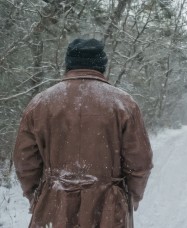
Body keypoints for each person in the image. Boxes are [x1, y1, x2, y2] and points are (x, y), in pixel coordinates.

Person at [13, 38, 153, 227]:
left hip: (54, 205)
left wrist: (37, 195)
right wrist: (131, 197)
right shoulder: (123, 103)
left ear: (68, 64)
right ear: (102, 65)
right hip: (108, 208)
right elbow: (140, 163)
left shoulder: (41, 103)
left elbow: (24, 160)